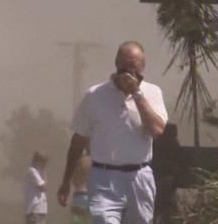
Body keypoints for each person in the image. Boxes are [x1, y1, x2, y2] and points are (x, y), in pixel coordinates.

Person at [57, 41, 168, 224]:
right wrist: (66, 181)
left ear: (143, 67)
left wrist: (137, 93)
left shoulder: (153, 92)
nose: (129, 73)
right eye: (125, 67)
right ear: (116, 64)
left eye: (134, 68)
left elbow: (156, 130)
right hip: (104, 177)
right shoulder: (95, 95)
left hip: (139, 177)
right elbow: (78, 141)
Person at [25, 151, 48, 224]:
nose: (44, 165)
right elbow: (43, 187)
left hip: (41, 210)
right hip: (35, 209)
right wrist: (44, 173)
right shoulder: (32, 171)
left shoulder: (37, 173)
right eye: (43, 162)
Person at [70, 149, 92, 224]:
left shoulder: (79, 161)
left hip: (79, 195)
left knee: (78, 221)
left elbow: (74, 181)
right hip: (92, 196)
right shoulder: (96, 163)